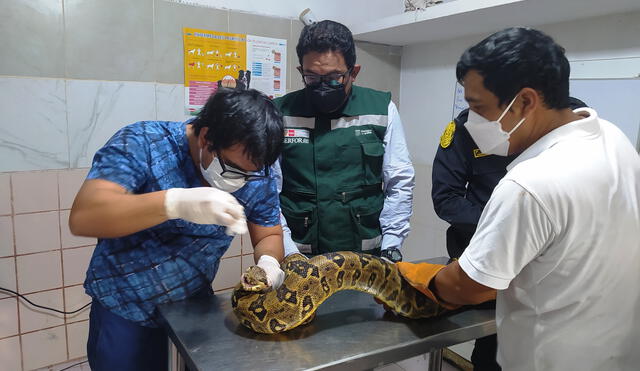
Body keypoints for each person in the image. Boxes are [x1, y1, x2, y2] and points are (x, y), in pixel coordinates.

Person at [398, 27, 640, 370]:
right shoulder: (613, 139)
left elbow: (470, 287)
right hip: (618, 349)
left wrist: (423, 277)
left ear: (525, 101)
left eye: (478, 108)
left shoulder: (530, 184)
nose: (473, 122)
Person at [69, 89, 287, 371]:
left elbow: (268, 233)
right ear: (206, 137)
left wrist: (269, 262)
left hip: (193, 311)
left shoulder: (257, 172)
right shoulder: (145, 143)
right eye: (233, 169)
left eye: (251, 173)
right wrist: (174, 203)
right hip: (124, 309)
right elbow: (85, 216)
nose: (241, 181)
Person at [431, 96, 588, 371]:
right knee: (490, 352)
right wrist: (505, 227)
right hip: (485, 263)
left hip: (549, 269)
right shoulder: (469, 127)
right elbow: (446, 198)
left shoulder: (569, 119)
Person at [273, 20, 414, 262]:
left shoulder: (381, 109)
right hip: (300, 253)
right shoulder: (280, 112)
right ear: (301, 72)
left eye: (334, 77)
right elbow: (268, 192)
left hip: (366, 253)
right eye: (312, 77)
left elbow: (400, 181)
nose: (322, 86)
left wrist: (392, 244)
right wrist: (288, 252)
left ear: (354, 72)